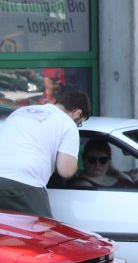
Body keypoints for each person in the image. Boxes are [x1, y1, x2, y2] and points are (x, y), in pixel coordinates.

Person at [0, 88, 90, 217]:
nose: (77, 125)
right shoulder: (68, 124)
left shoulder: (20, 112)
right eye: (79, 123)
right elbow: (66, 171)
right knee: (44, 228)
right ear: (77, 113)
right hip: (25, 183)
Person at [70, 140, 138, 189]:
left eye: (103, 160)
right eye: (92, 159)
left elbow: (130, 183)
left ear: (109, 161)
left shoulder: (112, 175)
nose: (97, 164)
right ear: (84, 159)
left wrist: (114, 170)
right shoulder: (83, 185)